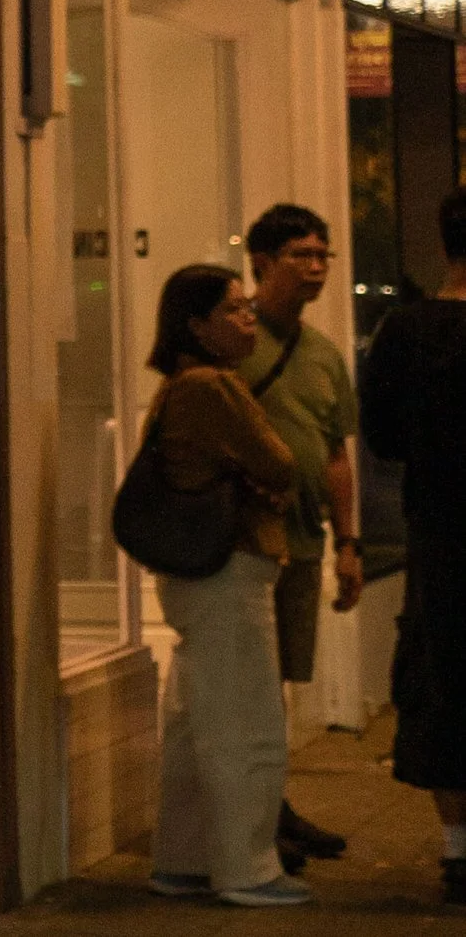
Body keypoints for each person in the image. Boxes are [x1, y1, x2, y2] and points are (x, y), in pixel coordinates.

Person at [142, 264, 308, 907]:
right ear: (197, 325)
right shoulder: (214, 387)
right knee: (246, 722)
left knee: (194, 724)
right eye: (235, 309)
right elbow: (281, 462)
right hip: (228, 573)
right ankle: (247, 869)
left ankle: (182, 860)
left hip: (194, 577)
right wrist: (264, 473)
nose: (248, 319)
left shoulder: (179, 387)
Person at [237, 203, 363, 864]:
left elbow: (336, 453)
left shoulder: (321, 352)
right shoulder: (234, 337)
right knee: (251, 684)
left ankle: (272, 808)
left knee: (281, 679)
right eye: (301, 255)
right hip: (243, 545)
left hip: (304, 541)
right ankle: (253, 821)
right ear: (261, 261)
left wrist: (348, 543)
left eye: (323, 255)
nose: (315, 268)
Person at [359, 184, 466, 906]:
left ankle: (460, 849)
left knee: (445, 674)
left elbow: (385, 435)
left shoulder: (406, 330)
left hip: (442, 527)